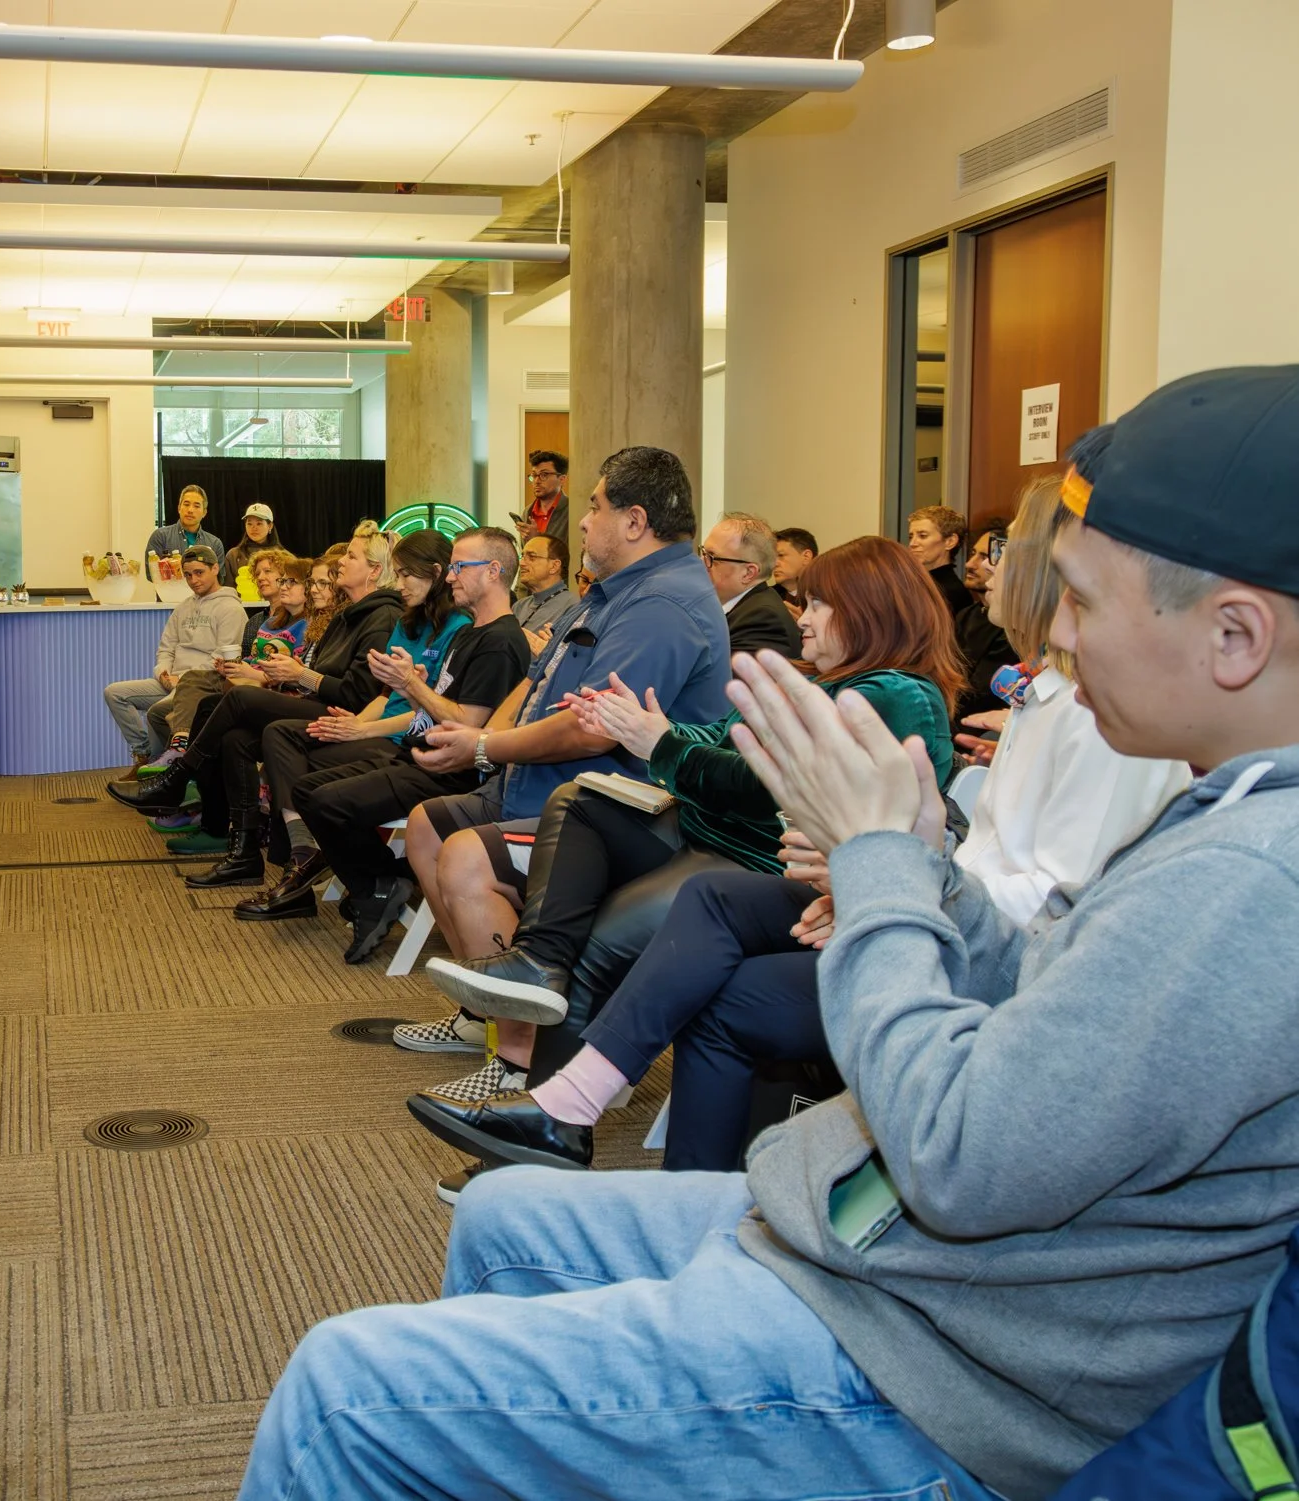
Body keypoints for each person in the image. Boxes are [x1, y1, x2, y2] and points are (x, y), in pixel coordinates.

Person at [239, 364, 1299, 1501]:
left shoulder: (1251, 874)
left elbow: (953, 1154)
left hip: (929, 1355)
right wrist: (927, 876)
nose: (1059, 637)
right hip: (885, 1256)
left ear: (1235, 636)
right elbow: (1040, 988)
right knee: (502, 1215)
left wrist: (882, 869)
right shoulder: (1228, 816)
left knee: (341, 1386)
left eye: (1083, 601)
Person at [405, 534, 962, 1166]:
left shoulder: (894, 693)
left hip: (765, 864)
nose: (801, 617)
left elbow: (765, 783)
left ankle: (537, 1140)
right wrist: (645, 727)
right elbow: (723, 736)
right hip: (714, 839)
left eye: (817, 605)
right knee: (581, 801)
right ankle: (540, 964)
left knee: (602, 942)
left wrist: (660, 744)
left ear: (868, 611)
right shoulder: (830, 681)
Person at [387, 447, 732, 1046]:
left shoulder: (661, 603)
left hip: (621, 815)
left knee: (466, 856)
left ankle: (519, 1055)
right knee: (427, 828)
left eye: (595, 507)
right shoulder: (614, 592)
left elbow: (593, 727)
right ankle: (482, 1018)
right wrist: (484, 741)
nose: (583, 521)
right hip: (541, 786)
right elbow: (535, 681)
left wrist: (486, 748)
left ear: (635, 521)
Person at [292, 527, 535, 962]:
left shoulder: (501, 640)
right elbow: (438, 706)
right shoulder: (469, 633)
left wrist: (410, 684)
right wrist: (411, 687)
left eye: (460, 567)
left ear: (494, 572)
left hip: (451, 773)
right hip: (418, 757)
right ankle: (382, 882)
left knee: (328, 802)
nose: (451, 576)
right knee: (306, 789)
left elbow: (467, 724)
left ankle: (377, 887)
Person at [110, 532, 402, 874]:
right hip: (320, 702)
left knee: (238, 696)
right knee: (233, 735)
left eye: (351, 557)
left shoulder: (381, 616)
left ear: (374, 570)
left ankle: (176, 779)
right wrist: (293, 674)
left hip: (345, 715)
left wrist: (299, 675)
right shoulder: (348, 615)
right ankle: (242, 849)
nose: (342, 562)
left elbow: (357, 694)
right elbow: (324, 676)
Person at [221, 531, 466, 902]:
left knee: (288, 757)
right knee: (243, 738)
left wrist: (361, 729)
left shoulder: (443, 626)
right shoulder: (404, 622)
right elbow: (385, 696)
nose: (399, 583)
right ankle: (292, 857)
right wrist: (359, 726)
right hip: (377, 729)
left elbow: (427, 711)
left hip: (404, 746)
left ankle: (332, 868)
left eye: (404, 574)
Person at [144, 548, 306, 764]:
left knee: (190, 697)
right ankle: (177, 760)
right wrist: (230, 666)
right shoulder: (260, 621)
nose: (261, 577)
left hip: (266, 686)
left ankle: (181, 760)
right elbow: (247, 658)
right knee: (174, 699)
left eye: (268, 571)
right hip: (239, 679)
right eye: (257, 573)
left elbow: (292, 671)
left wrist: (245, 670)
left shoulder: (300, 622)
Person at [101, 545, 245, 770]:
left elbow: (221, 658)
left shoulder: (231, 608)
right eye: (188, 575)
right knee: (115, 693)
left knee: (158, 710)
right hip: (172, 680)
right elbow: (166, 648)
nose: (193, 580)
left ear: (215, 569)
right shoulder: (183, 608)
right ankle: (144, 755)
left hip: (202, 684)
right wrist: (163, 673)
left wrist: (183, 679)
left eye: (199, 573)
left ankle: (163, 769)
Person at [701, 511, 804, 658]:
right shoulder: (744, 607)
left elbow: (715, 671)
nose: (701, 563)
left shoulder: (763, 619)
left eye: (711, 557)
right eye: (702, 552)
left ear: (748, 573)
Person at [952, 524, 1018, 723]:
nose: (970, 564)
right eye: (973, 554)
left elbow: (981, 695)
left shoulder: (1011, 626)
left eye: (986, 556)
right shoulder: (966, 615)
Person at [511, 531, 580, 648]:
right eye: (522, 556)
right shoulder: (519, 606)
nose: (521, 563)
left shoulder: (573, 606)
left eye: (531, 557)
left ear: (554, 566)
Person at [908, 502, 972, 620]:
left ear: (950, 542)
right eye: (911, 537)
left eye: (923, 536)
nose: (912, 543)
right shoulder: (914, 582)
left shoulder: (953, 593)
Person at [144, 483, 222, 565]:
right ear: (179, 508)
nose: (190, 510)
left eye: (196, 506)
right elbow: (152, 571)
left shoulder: (214, 544)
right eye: (186, 504)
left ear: (204, 512)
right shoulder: (161, 537)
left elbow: (217, 572)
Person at [218, 503, 282, 588]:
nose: (254, 528)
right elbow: (228, 588)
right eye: (249, 524)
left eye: (259, 523)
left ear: (270, 526)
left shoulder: (282, 555)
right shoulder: (233, 555)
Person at [510, 449, 567, 538]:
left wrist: (536, 539)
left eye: (544, 475)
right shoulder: (527, 512)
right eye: (534, 475)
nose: (536, 481)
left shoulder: (572, 511)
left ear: (561, 479)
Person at [773, 525, 817, 610]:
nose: (774, 564)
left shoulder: (829, 594)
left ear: (806, 557)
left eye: (781, 555)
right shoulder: (766, 598)